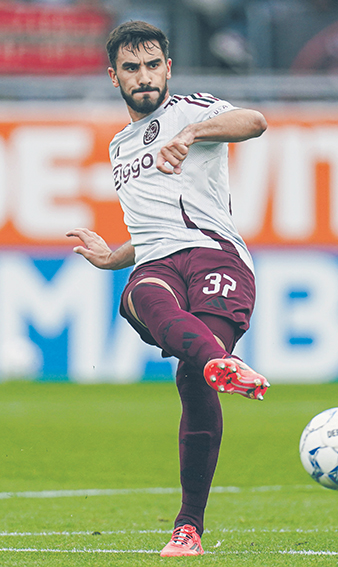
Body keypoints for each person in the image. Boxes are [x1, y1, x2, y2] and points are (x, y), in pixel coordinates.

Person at [66, 20, 269, 557]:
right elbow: (150, 233)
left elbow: (256, 121)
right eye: (131, 68)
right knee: (137, 294)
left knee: (192, 381)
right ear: (114, 77)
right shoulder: (119, 148)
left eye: (153, 64)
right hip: (157, 261)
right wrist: (113, 256)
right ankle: (218, 361)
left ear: (168, 68)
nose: (144, 76)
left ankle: (189, 528)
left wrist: (193, 134)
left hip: (215, 259)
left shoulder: (193, 109)